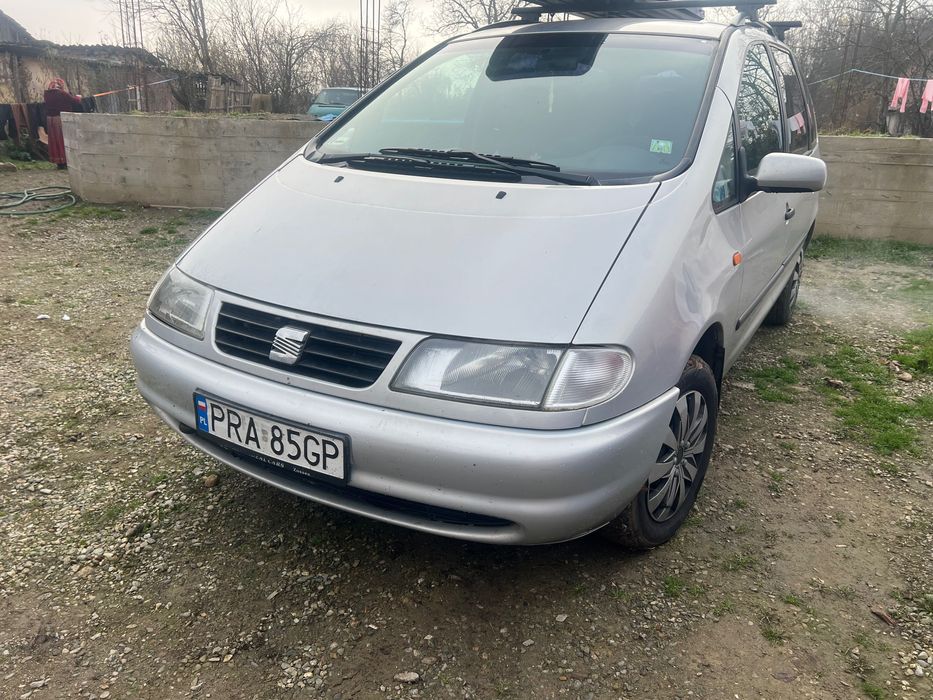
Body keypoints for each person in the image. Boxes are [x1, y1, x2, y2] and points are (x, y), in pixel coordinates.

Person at [44, 78, 83, 169]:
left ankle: (59, 162)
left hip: (50, 120)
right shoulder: (62, 93)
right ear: (60, 86)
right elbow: (75, 101)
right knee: (63, 140)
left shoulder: (46, 94)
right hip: (61, 119)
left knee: (54, 141)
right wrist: (79, 97)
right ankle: (65, 161)